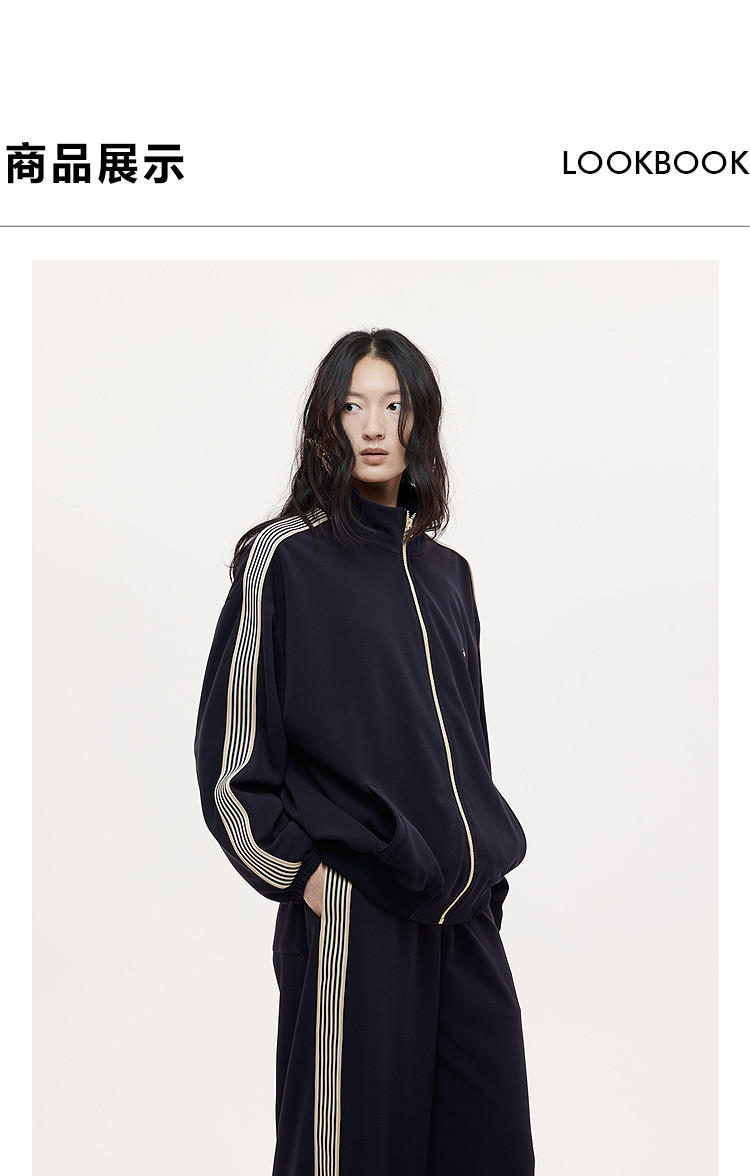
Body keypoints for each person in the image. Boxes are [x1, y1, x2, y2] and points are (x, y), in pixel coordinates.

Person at [194, 328, 535, 1175]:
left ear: (421, 422)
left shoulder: (449, 575)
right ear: (327, 421)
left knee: (491, 1149)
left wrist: (484, 879)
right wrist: (306, 879)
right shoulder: (285, 559)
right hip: (360, 913)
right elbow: (233, 760)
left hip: (465, 917)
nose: (374, 426)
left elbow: (467, 749)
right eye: (354, 405)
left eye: (394, 405)